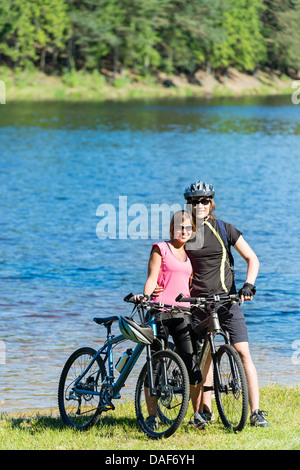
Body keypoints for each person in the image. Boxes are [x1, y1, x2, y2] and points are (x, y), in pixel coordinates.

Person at [154, 181, 270, 427]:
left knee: (242, 352)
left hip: (227, 301)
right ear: (189, 204)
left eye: (204, 201)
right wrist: (157, 285)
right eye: (195, 202)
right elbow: (170, 261)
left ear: (211, 202)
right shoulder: (186, 231)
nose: (200, 205)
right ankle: (201, 413)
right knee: (202, 358)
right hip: (196, 304)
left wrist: (249, 285)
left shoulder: (224, 228)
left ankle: (256, 412)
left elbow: (252, 259)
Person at [135, 210, 205, 430]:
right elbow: (152, 278)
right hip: (160, 311)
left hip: (183, 313)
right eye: (179, 227)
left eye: (188, 228)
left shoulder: (189, 254)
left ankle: (197, 415)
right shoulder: (160, 248)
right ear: (171, 229)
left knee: (191, 362)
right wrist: (147, 296)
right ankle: (152, 417)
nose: (183, 231)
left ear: (192, 231)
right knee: (155, 364)